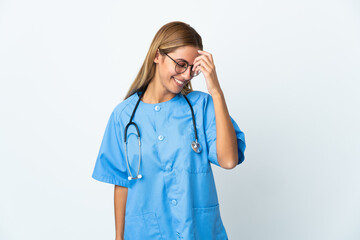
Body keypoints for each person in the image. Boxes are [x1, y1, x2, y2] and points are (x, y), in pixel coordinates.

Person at [92, 21, 246, 240]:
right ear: (157, 55)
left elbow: (229, 160)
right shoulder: (124, 116)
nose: (186, 75)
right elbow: (122, 183)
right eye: (181, 64)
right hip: (145, 234)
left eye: (193, 69)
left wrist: (216, 90)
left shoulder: (202, 107)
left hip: (198, 233)